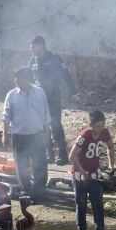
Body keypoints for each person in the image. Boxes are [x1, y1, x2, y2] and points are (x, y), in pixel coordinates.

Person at [2, 68, 51, 199]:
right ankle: (27, 192)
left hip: (37, 135)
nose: (16, 81)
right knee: (21, 166)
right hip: (19, 137)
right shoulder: (11, 95)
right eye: (15, 79)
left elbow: (46, 115)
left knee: (39, 164)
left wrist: (47, 134)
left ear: (26, 78)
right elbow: (6, 116)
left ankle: (40, 192)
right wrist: (5, 135)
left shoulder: (40, 93)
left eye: (19, 78)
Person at [69, 110, 115, 230]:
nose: (101, 129)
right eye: (98, 126)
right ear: (90, 125)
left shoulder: (105, 133)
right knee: (81, 205)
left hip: (95, 175)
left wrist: (112, 165)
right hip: (80, 176)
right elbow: (72, 156)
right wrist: (83, 173)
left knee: (98, 205)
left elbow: (110, 147)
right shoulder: (84, 136)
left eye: (103, 125)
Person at [27, 36, 76, 165]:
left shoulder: (55, 59)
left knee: (55, 126)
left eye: (33, 47)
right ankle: (49, 154)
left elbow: (66, 76)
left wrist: (73, 92)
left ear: (41, 46)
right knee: (43, 127)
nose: (31, 49)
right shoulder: (32, 61)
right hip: (38, 99)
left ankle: (63, 154)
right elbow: (28, 80)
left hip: (52, 98)